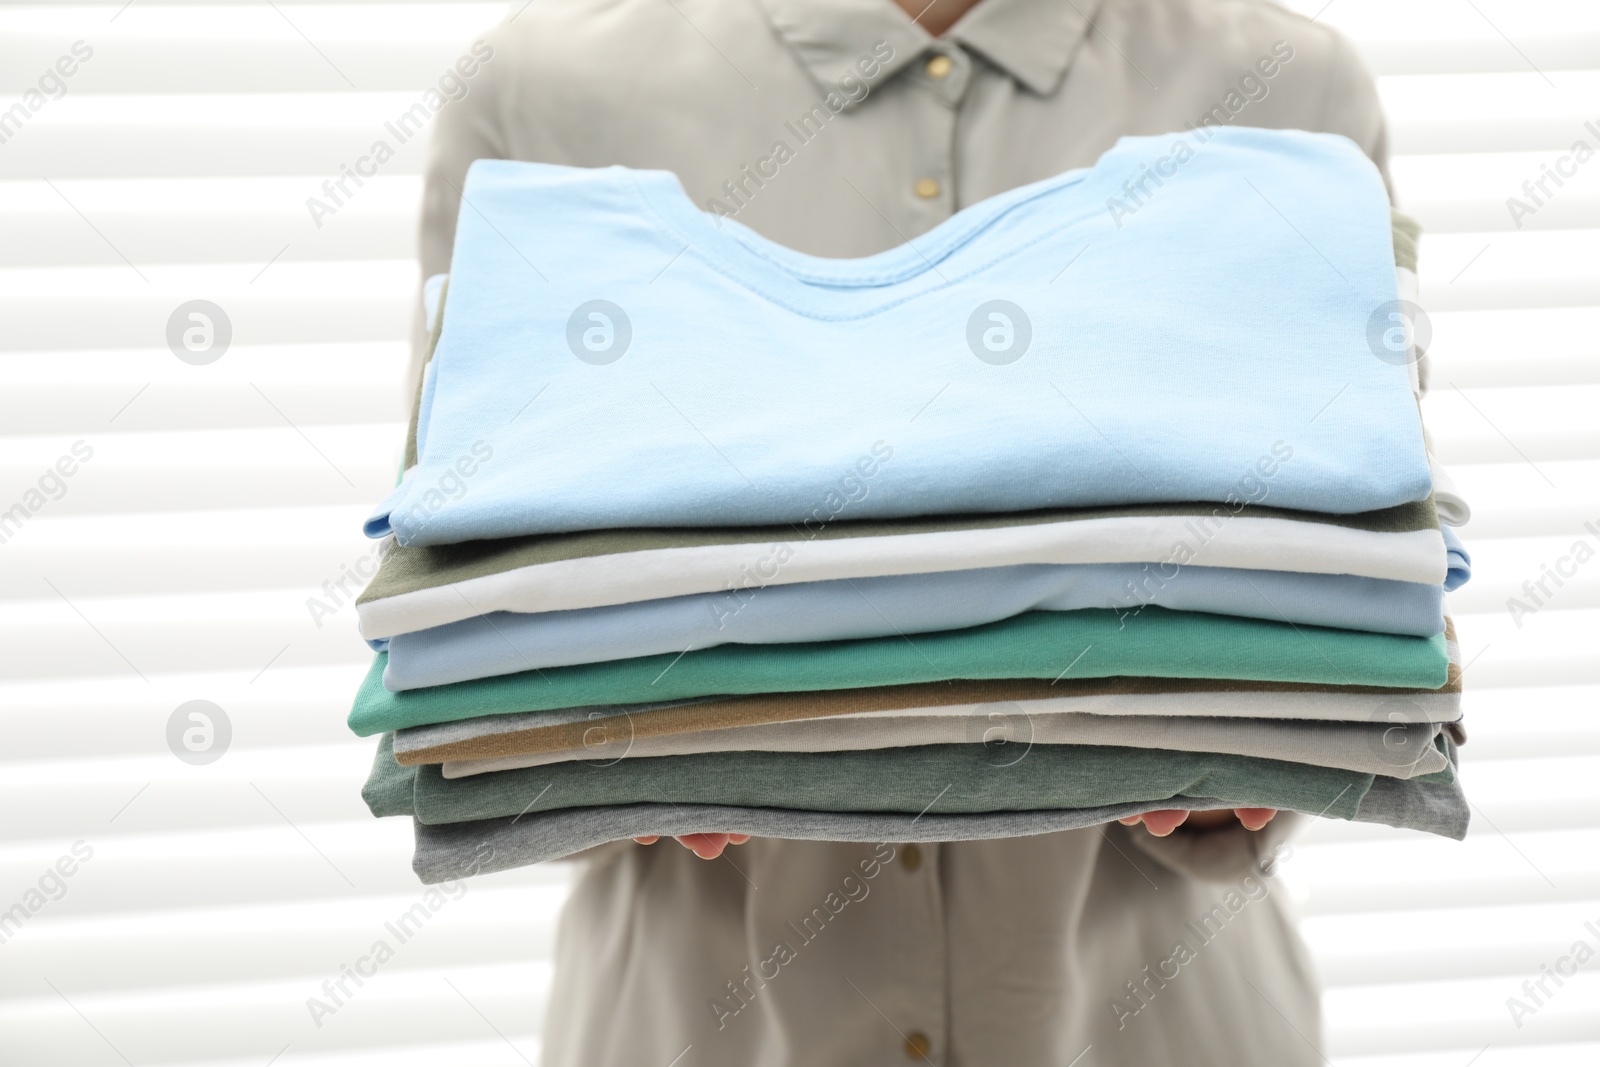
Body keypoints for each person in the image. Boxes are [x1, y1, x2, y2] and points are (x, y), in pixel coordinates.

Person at [414, 1, 1391, 1062]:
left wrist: (1252, 747)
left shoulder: (1288, 87)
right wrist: (582, 755)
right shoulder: (541, 89)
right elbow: (465, 601)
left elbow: (1365, 578)